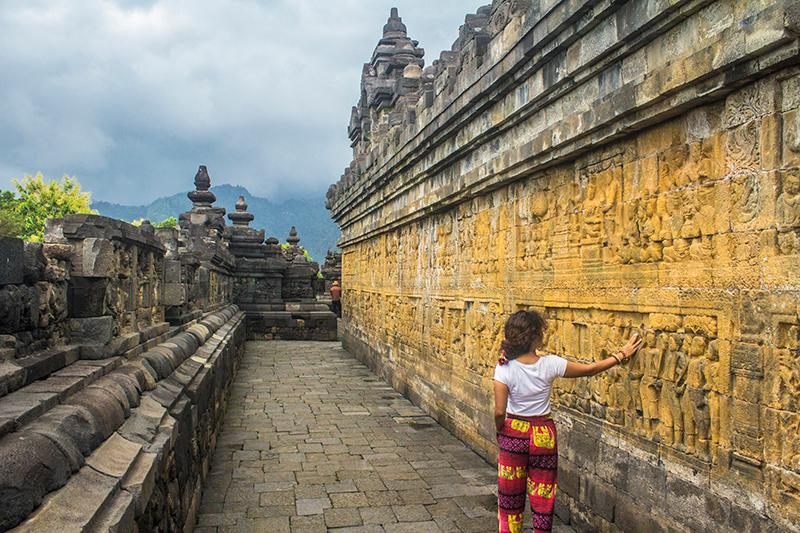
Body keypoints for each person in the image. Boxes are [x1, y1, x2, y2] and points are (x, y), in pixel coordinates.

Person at [493, 310, 641, 533]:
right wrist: (620, 355)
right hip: (543, 431)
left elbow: (498, 411)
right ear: (534, 337)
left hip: (514, 431)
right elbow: (590, 370)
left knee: (510, 495)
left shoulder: (504, 367)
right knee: (543, 494)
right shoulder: (550, 364)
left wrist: (501, 430)